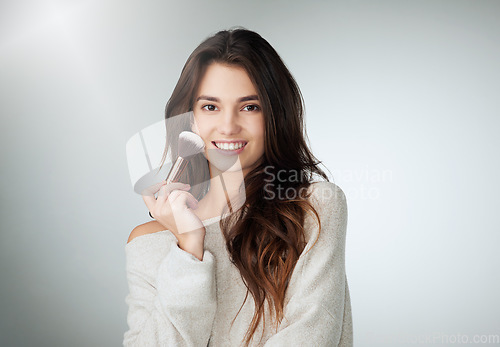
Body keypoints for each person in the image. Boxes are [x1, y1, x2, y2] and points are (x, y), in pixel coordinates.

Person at [123, 28, 353, 347]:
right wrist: (189, 246)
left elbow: (312, 333)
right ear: (190, 120)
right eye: (210, 107)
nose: (229, 125)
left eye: (249, 107)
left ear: (275, 115)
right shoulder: (150, 240)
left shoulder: (314, 207)